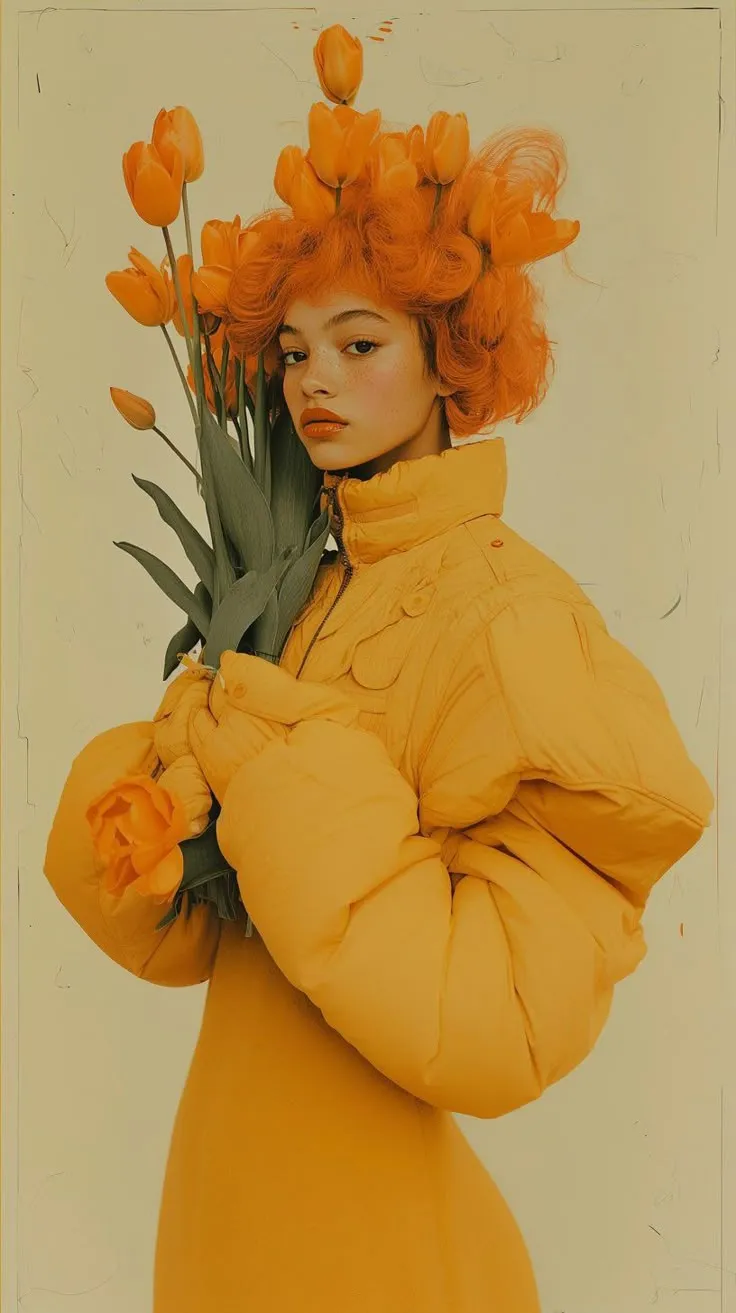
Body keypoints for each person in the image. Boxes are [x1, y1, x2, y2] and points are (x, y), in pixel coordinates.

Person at [43, 24, 714, 1313]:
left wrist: (280, 777)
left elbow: (502, 1023)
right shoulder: (298, 580)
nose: (313, 387)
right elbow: (192, 942)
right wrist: (146, 798)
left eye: (361, 344)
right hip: (219, 1215)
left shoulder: (513, 620)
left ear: (455, 351)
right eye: (294, 352)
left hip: (380, 1257)